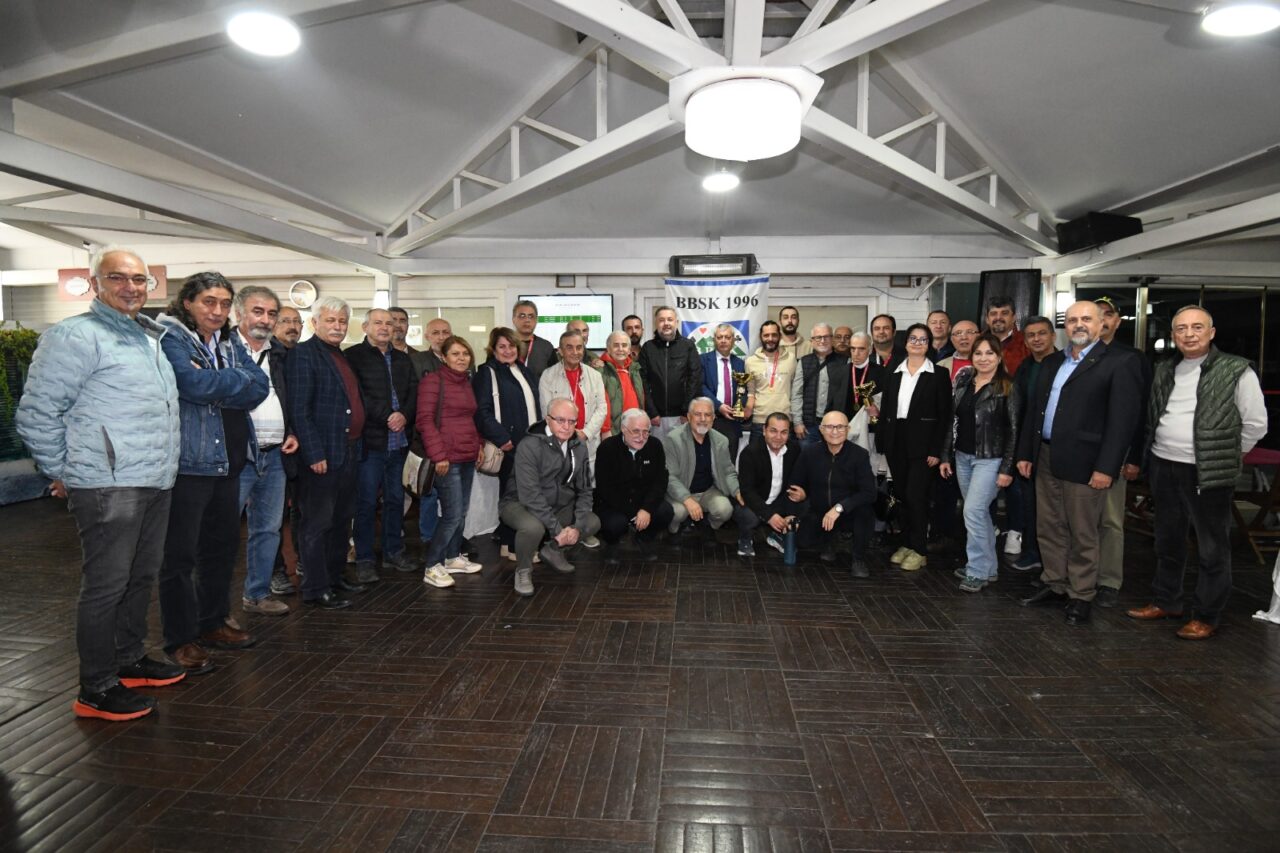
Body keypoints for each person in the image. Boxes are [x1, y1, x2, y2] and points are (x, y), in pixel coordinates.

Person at [16, 247, 186, 720]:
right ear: (95, 283)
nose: (130, 287)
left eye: (139, 279)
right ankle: (96, 686)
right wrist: (67, 472)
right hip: (108, 486)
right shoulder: (75, 335)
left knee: (141, 576)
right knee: (106, 586)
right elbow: (37, 413)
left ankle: (128, 660)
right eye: (117, 278)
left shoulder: (147, 337)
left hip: (154, 478)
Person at [1127, 306, 1267, 640]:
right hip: (1163, 464)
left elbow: (1255, 423)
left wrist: (1226, 454)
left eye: (1197, 327)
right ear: (1173, 335)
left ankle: (1206, 615)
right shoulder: (1165, 369)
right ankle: (1167, 601)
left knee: (1212, 547)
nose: (1189, 334)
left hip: (1207, 471)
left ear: (1212, 332)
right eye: (1181, 328)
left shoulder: (1236, 369)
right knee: (1168, 540)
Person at [156, 272, 269, 671]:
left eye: (224, 303)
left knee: (221, 550)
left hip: (230, 462)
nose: (218, 310)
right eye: (209, 301)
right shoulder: (171, 339)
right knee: (179, 557)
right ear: (187, 302)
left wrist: (219, 383)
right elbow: (191, 385)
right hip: (191, 465)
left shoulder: (228, 341)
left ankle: (213, 622)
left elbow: (259, 386)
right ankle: (180, 639)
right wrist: (232, 381)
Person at [1017, 301, 1143, 626]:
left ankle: (1081, 594)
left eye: (1086, 319)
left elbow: (1122, 423)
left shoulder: (1120, 363)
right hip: (1046, 456)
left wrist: (1107, 467)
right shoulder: (1053, 362)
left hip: (1087, 462)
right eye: (1072, 320)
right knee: (1049, 525)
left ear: (1102, 324)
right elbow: (1035, 412)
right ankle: (1055, 582)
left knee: (1083, 530)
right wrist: (1026, 453)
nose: (1078, 325)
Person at [287, 296, 370, 610]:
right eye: (331, 320)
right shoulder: (303, 355)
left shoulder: (340, 355)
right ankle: (315, 588)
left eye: (342, 321)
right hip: (322, 456)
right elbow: (300, 410)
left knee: (341, 521)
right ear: (314, 322)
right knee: (317, 524)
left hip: (349, 451)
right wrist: (313, 453)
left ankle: (335, 577)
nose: (337, 326)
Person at [231, 285, 296, 617]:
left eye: (272, 313)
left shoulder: (280, 354)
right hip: (236, 456)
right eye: (258, 311)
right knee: (222, 532)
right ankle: (212, 609)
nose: (266, 319)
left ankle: (256, 594)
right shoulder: (224, 350)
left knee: (268, 529)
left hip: (275, 454)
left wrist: (291, 431)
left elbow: (288, 397)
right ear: (239, 313)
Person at [939, 333, 1019, 593]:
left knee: (972, 512)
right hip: (963, 457)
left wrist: (1007, 469)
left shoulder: (1007, 387)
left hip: (990, 459)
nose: (983, 358)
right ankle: (988, 568)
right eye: (978, 353)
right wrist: (946, 455)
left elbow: (1014, 431)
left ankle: (976, 570)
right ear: (971, 357)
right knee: (979, 513)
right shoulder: (964, 381)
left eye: (989, 353)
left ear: (999, 357)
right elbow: (952, 421)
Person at [344, 308, 418, 583]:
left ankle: (393, 552)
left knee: (395, 500)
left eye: (389, 323)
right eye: (378, 322)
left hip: (399, 443)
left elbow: (414, 392)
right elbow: (358, 396)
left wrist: (404, 415)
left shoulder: (402, 358)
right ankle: (364, 558)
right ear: (365, 327)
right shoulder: (353, 356)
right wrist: (388, 415)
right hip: (370, 443)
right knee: (365, 503)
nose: (385, 327)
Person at [499, 398, 601, 596]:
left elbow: (585, 490)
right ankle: (523, 570)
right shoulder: (529, 446)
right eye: (560, 420)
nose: (566, 426)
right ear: (547, 419)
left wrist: (576, 526)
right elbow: (530, 495)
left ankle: (554, 550)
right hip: (519, 503)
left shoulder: (579, 446)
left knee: (591, 522)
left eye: (572, 421)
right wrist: (557, 529)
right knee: (532, 528)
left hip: (557, 504)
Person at [871, 323, 951, 572]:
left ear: (929, 344)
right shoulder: (894, 372)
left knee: (917, 496)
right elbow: (886, 409)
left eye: (923, 339)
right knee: (902, 495)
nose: (917, 343)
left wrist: (936, 450)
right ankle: (907, 543)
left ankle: (919, 550)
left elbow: (945, 416)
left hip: (924, 446)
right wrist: (882, 441)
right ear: (905, 343)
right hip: (896, 441)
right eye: (913, 339)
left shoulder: (938, 374)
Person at [1091, 296, 1153, 607]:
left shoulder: (1131, 358)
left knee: (1111, 519)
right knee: (1079, 520)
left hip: (1115, 454)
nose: (1101, 320)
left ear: (1117, 321)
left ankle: (1108, 580)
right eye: (1095, 314)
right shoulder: (1074, 356)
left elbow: (1139, 412)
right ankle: (1082, 575)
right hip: (1078, 453)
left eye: (1108, 314)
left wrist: (1134, 456)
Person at [416, 335, 485, 588]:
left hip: (467, 455)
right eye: (455, 354)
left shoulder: (466, 381)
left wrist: (478, 445)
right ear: (444, 357)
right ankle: (432, 565)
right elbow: (424, 421)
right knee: (452, 515)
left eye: (465, 354)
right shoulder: (433, 381)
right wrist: (439, 456)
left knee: (461, 512)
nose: (461, 358)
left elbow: (471, 418)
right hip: (446, 459)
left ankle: (453, 557)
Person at [790, 411, 878, 577]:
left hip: (848, 511)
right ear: (821, 429)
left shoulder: (859, 455)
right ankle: (828, 541)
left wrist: (840, 507)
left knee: (865, 512)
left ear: (848, 429)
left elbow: (869, 493)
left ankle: (858, 558)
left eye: (840, 427)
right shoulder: (810, 452)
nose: (835, 431)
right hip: (819, 511)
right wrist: (802, 494)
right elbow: (796, 482)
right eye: (829, 427)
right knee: (803, 541)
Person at [662, 397, 752, 554]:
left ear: (714, 418)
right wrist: (687, 499)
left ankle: (707, 525)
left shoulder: (721, 440)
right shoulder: (673, 439)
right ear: (689, 417)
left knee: (725, 509)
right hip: (681, 491)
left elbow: (728, 471)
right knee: (678, 512)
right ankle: (674, 530)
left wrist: (737, 491)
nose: (703, 419)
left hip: (707, 491)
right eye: (698, 414)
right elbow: (670, 477)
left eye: (708, 415)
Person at [1007, 315, 1057, 573]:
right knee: (1029, 502)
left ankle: (1053, 560)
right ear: (1025, 341)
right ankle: (1032, 552)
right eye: (1031, 335)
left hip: (1054, 445)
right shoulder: (1025, 367)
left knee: (1053, 506)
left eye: (1042, 333)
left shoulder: (1064, 365)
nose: (1037, 339)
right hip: (1027, 444)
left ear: (1053, 336)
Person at [593, 408, 673, 563]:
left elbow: (660, 481)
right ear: (623, 429)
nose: (641, 437)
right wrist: (632, 513)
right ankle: (612, 543)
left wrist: (646, 509)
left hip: (643, 500)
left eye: (646, 432)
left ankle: (644, 537)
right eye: (636, 431)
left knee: (666, 511)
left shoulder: (655, 445)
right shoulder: (607, 448)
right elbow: (605, 488)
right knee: (615, 524)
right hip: (615, 503)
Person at [474, 326, 542, 498]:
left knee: (531, 494)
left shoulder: (525, 371)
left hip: (531, 446)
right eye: (502, 346)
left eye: (511, 346)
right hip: (509, 448)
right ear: (493, 349)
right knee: (511, 497)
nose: (508, 351)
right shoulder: (487, 372)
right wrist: (502, 438)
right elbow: (481, 411)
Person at [737, 412, 806, 558]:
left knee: (806, 504)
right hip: (755, 501)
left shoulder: (794, 450)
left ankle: (777, 535)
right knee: (748, 516)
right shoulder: (750, 453)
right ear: (764, 430)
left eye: (784, 432)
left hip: (779, 500)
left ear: (789, 434)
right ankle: (745, 537)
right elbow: (747, 491)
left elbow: (797, 481)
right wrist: (769, 515)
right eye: (773, 431)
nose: (778, 437)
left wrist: (800, 497)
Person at [540, 329, 607, 477]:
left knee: (587, 486)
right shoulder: (548, 376)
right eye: (569, 347)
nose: (575, 352)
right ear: (560, 351)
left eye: (579, 347)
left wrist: (586, 433)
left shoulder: (595, 376)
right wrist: (568, 433)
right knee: (562, 486)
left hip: (588, 443)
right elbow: (547, 411)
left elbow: (602, 408)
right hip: (559, 444)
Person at [641, 306, 703, 442]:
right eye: (661, 320)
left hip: (682, 417)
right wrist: (652, 412)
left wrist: (687, 411)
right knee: (658, 453)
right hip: (656, 418)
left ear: (676, 322)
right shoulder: (648, 348)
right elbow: (643, 382)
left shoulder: (688, 346)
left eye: (670, 319)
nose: (666, 323)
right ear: (656, 323)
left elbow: (695, 379)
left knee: (681, 453)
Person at [791, 323, 848, 447]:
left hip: (835, 425)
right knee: (808, 457)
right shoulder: (804, 362)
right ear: (811, 341)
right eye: (818, 337)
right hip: (808, 426)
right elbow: (796, 394)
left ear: (832, 339)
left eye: (826, 337)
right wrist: (797, 422)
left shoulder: (845, 362)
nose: (822, 341)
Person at [700, 323, 751, 448]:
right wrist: (718, 406)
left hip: (732, 420)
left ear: (733, 340)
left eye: (727, 337)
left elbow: (743, 389)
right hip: (709, 417)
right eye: (719, 337)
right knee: (708, 456)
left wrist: (739, 408)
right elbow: (700, 386)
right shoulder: (702, 360)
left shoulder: (740, 363)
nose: (723, 340)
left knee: (730, 457)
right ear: (714, 340)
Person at [744, 321, 797, 437]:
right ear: (761, 337)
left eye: (774, 335)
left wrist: (798, 419)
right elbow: (751, 392)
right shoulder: (750, 362)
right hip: (760, 421)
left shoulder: (791, 359)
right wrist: (747, 409)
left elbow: (796, 391)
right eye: (766, 335)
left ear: (780, 336)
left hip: (784, 420)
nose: (770, 339)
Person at [600, 330, 648, 438]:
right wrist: (605, 430)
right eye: (616, 345)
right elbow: (601, 403)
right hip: (613, 432)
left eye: (624, 345)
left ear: (629, 350)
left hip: (635, 429)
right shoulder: (601, 370)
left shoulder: (635, 369)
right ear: (608, 348)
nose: (620, 349)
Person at [512, 299, 557, 380]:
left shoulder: (546, 347)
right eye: (522, 316)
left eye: (531, 316)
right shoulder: (504, 345)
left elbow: (555, 378)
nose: (527, 320)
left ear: (536, 320)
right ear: (513, 319)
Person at [845, 332, 886, 419]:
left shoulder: (882, 372)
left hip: (869, 424)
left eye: (861, 349)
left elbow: (888, 403)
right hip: (843, 423)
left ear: (870, 350)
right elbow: (832, 404)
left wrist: (879, 412)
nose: (856, 353)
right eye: (853, 348)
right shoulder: (840, 372)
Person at [985, 296, 1030, 375]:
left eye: (1004, 313)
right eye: (993, 314)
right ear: (987, 319)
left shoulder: (1027, 344)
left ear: (1014, 318)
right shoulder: (976, 342)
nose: (998, 317)